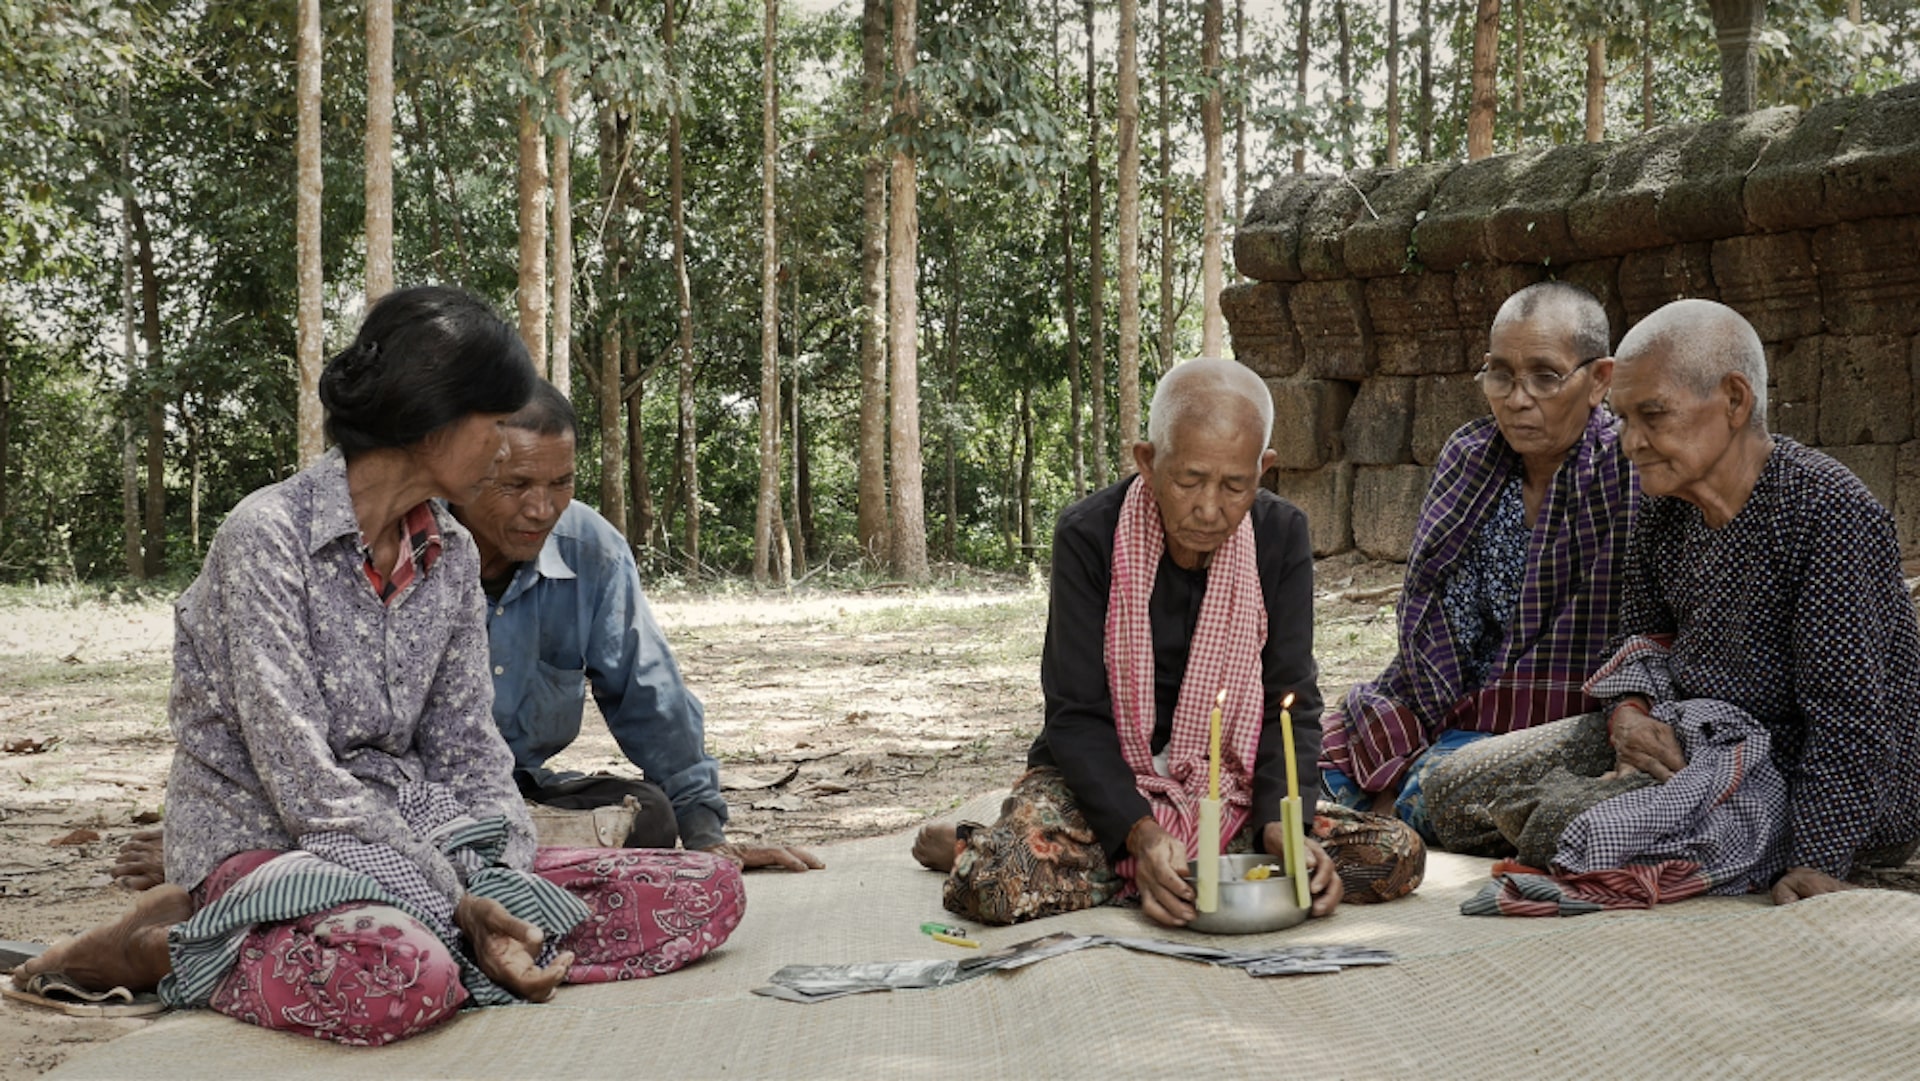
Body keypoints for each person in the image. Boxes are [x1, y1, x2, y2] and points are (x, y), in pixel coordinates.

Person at [16, 287, 743, 1046]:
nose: (503, 450)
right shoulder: (266, 537)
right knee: (406, 977)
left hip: (410, 831)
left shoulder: (451, 553)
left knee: (703, 893)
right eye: (495, 426)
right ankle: (160, 947)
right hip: (269, 837)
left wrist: (504, 881)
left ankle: (436, 933)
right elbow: (305, 789)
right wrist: (459, 899)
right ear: (435, 419)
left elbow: (472, 751)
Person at [1424, 298, 1920, 905]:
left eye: (1652, 416)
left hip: (1788, 774)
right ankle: (1604, 830)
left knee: (1562, 825)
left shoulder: (1825, 512)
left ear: (1735, 401)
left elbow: (1850, 723)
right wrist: (1629, 713)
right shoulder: (1663, 511)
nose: (1631, 443)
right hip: (1686, 739)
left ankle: (1604, 836)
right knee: (1448, 790)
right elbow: (1637, 639)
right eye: (1624, 418)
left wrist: (1816, 860)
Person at [913, 358, 1424, 927]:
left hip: (1230, 789)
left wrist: (1283, 828)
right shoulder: (1088, 535)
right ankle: (975, 847)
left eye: (1235, 485)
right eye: (1188, 481)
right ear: (1148, 462)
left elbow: (1293, 701)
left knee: (1395, 856)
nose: (1210, 509)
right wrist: (1142, 835)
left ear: (1265, 470)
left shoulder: (1281, 535)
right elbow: (1075, 715)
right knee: (997, 883)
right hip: (1102, 789)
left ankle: (1118, 868)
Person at [452, 380, 821, 872]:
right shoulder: (412, 547)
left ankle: (502, 854)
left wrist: (705, 834)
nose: (541, 509)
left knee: (649, 818)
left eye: (561, 483)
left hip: (518, 792)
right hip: (416, 797)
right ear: (465, 474)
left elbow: (650, 696)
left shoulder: (592, 550)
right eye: (516, 485)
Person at [1318, 281, 1636, 843]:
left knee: (1440, 789)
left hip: (1559, 711)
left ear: (1600, 380)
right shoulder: (1471, 457)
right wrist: (1425, 720)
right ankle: (1403, 797)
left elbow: (1630, 637)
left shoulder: (1625, 471)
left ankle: (1404, 805)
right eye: (1501, 375)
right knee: (1303, 759)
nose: (1517, 399)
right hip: (1451, 698)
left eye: (1545, 376)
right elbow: (1430, 608)